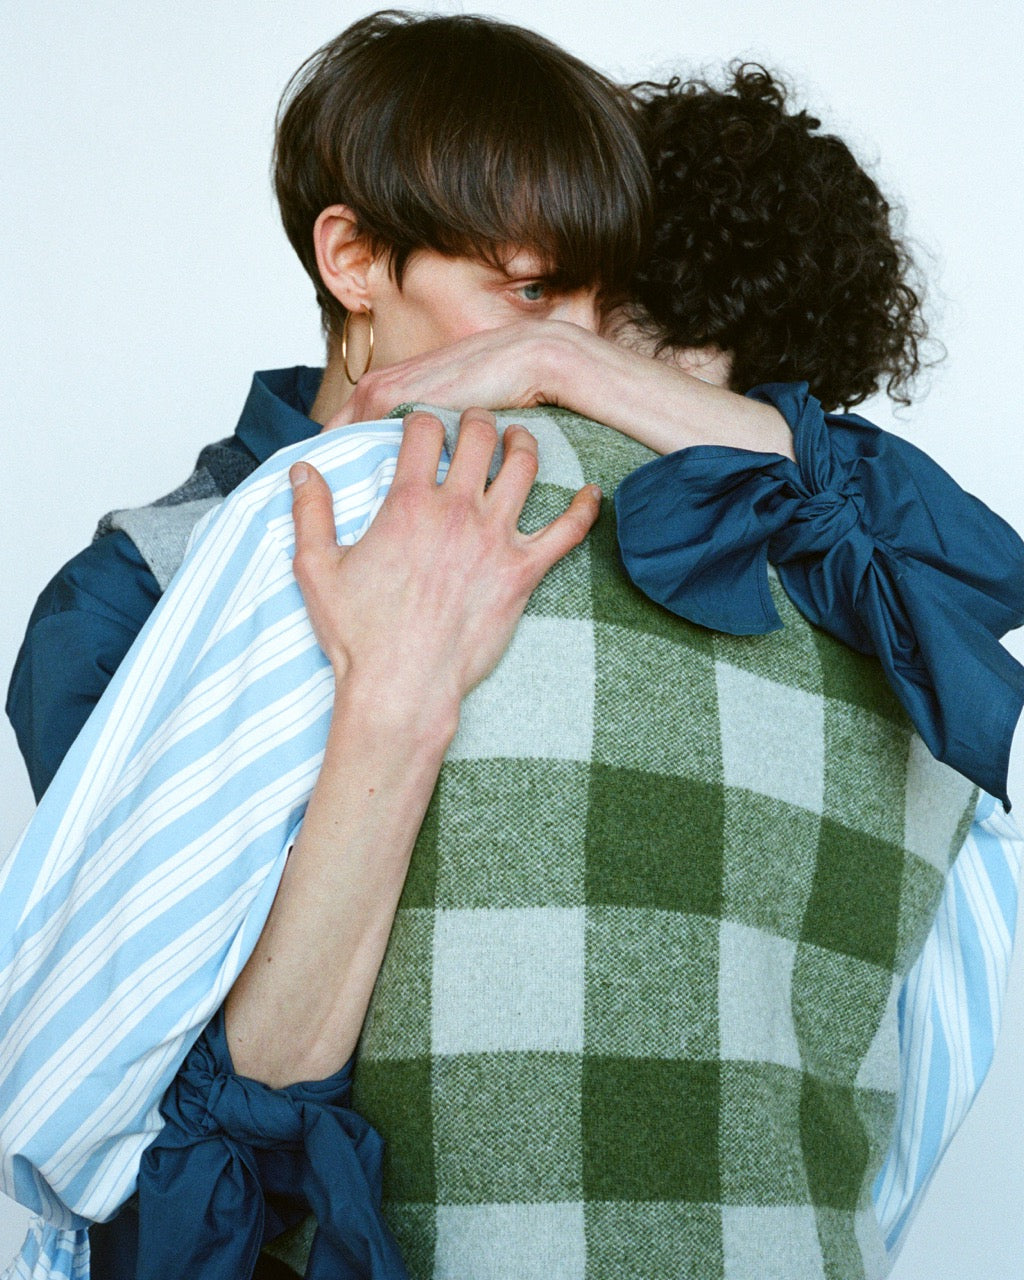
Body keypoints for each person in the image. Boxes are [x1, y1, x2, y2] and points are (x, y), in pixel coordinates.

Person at [2, 29, 1020, 1280]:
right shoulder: (145, 588)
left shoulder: (728, 546)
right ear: (352, 260)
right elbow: (160, 1100)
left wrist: (551, 352)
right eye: (535, 294)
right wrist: (398, 697)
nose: (580, 365)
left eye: (603, 311)